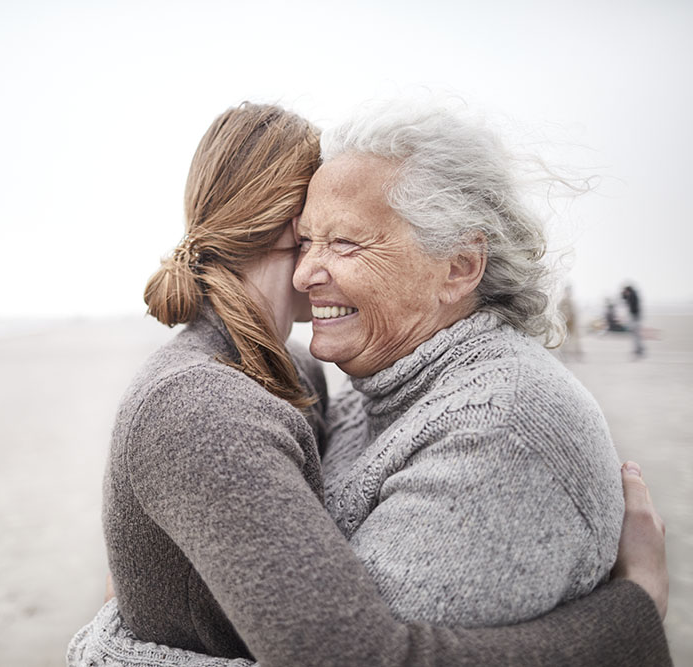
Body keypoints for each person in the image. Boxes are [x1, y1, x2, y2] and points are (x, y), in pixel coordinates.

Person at [69, 102, 672, 666]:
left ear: (459, 267)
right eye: (304, 242)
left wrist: (633, 613)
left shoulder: (500, 428)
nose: (306, 273)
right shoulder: (366, 390)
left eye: (345, 243)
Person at [622, 284, 645, 357]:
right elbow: (625, 300)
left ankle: (638, 349)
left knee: (635, 335)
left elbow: (628, 304)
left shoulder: (632, 296)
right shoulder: (634, 295)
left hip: (634, 318)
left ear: (627, 290)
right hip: (636, 317)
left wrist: (625, 297)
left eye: (625, 291)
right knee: (636, 335)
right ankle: (639, 348)